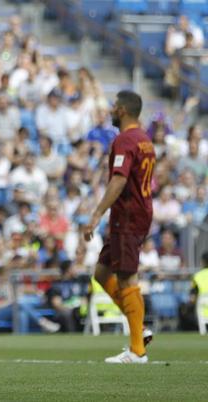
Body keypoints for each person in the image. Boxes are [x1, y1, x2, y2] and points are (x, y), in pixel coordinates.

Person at [84, 90, 156, 363]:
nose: (111, 110)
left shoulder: (125, 140)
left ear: (123, 110)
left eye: (114, 106)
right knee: (102, 272)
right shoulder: (145, 140)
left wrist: (96, 214)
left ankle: (138, 350)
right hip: (136, 213)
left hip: (127, 216)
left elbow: (119, 180)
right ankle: (140, 328)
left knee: (126, 277)